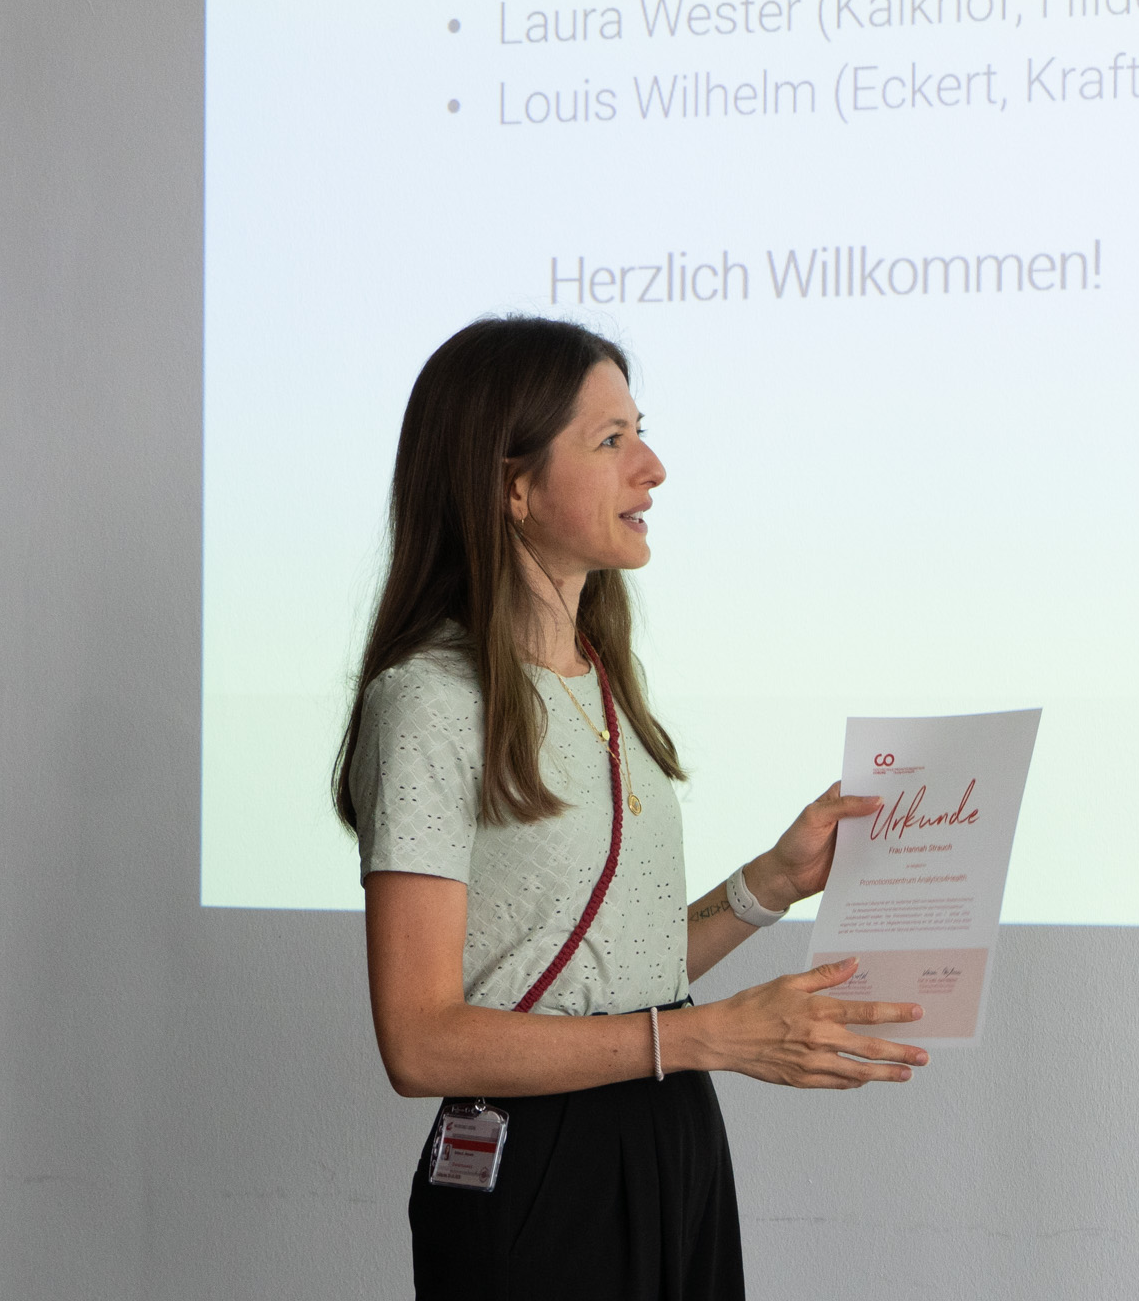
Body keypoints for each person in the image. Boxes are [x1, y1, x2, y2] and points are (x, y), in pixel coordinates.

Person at [334, 316, 929, 1301]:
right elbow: (420, 1039)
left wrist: (769, 884)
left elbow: (614, 977)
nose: (650, 468)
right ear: (512, 485)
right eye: (610, 440)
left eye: (638, 432)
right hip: (535, 1163)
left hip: (670, 1133)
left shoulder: (604, 677)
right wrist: (700, 1037)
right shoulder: (432, 701)